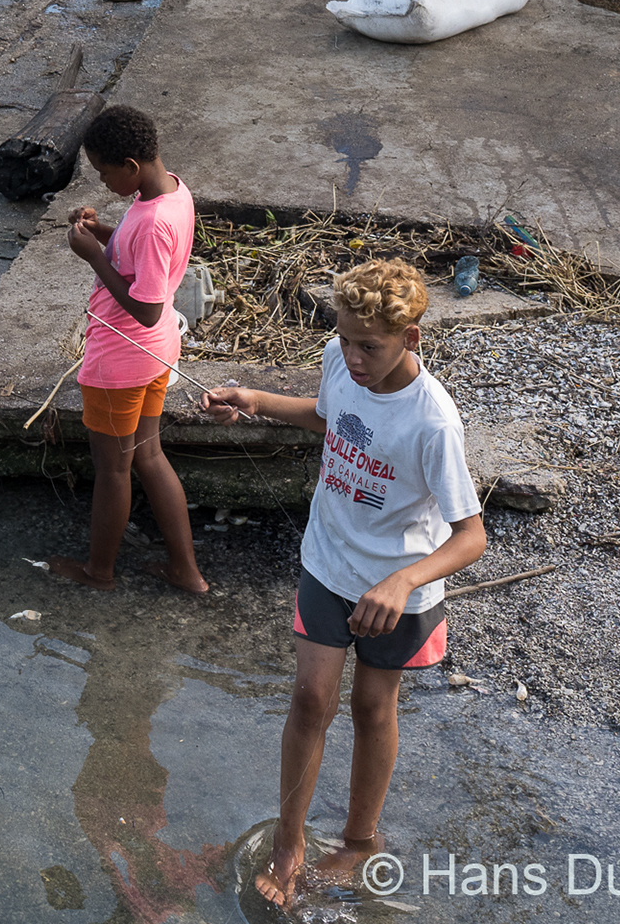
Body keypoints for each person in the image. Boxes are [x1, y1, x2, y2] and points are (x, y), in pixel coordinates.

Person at [200, 260, 487, 907]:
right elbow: (331, 419)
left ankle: (360, 841)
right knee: (310, 698)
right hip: (328, 562)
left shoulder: (433, 421)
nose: (354, 357)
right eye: (347, 339)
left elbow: (472, 535)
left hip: (398, 588)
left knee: (370, 708)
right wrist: (253, 401)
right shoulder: (339, 357)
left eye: (371, 347)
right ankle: (289, 839)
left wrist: (402, 582)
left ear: (410, 339)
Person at [48, 105, 205, 595]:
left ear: (131, 166)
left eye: (103, 172)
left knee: (113, 469)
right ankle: (186, 572)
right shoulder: (172, 193)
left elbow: (148, 309)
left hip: (124, 358)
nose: (102, 180)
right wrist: (103, 235)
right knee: (149, 457)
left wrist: (94, 258)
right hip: (156, 356)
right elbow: (139, 256)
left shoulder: (155, 220)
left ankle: (100, 572)